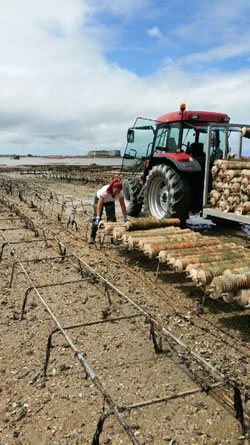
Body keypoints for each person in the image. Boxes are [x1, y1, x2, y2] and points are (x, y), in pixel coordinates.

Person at [88, 179, 130, 244]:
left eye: (118, 192)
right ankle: (92, 237)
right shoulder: (104, 192)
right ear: (112, 188)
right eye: (115, 191)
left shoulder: (120, 193)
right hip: (99, 200)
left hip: (110, 201)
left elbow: (122, 205)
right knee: (96, 220)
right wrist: (98, 216)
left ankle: (113, 239)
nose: (117, 193)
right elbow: (99, 205)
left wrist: (125, 217)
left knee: (112, 219)